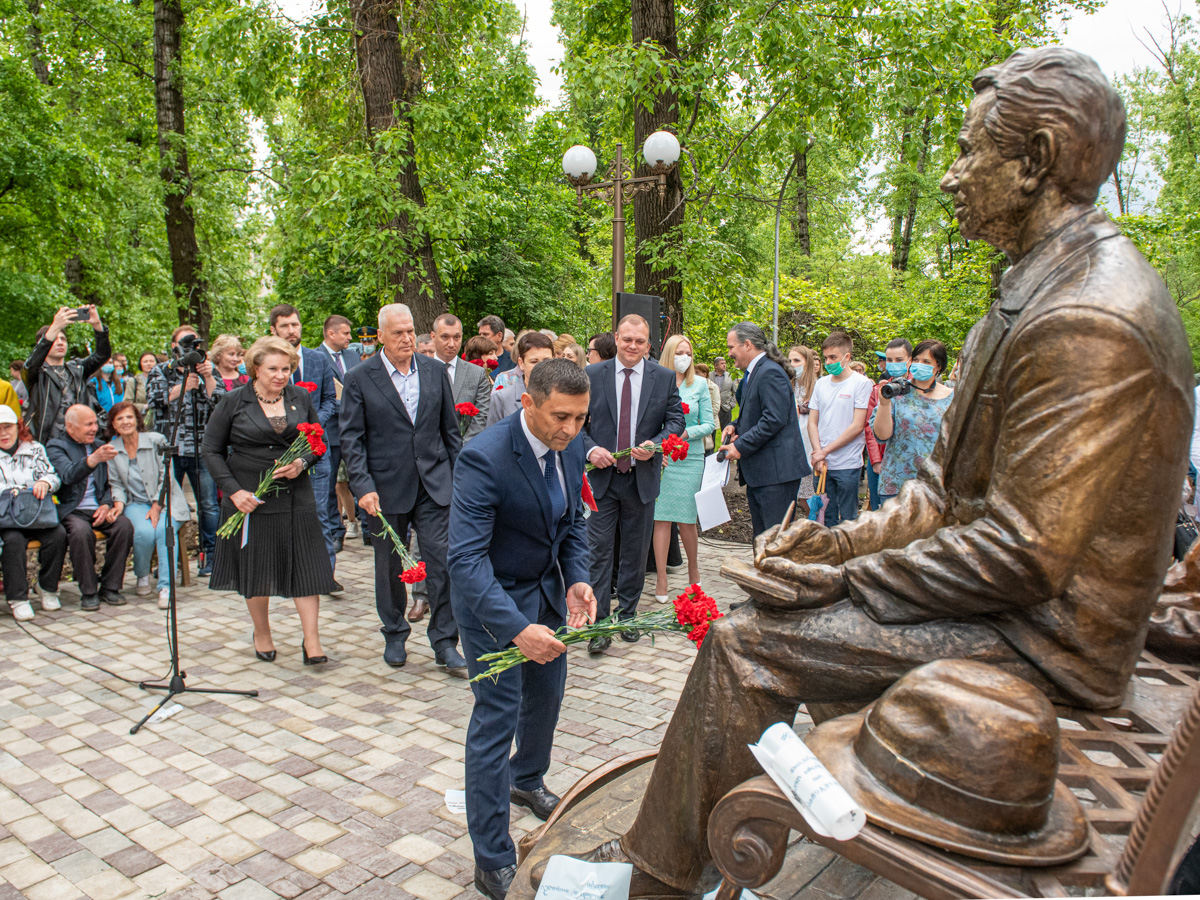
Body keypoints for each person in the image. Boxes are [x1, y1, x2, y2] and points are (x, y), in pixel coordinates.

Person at [548, 48, 1195, 897]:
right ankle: (698, 840)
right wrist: (833, 543)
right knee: (785, 597)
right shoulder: (1033, 290)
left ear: (1033, 161)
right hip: (1013, 609)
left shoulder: (1091, 318)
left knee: (747, 643)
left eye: (971, 152)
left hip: (1051, 641)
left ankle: (653, 882)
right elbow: (937, 493)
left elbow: (1023, 555)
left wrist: (844, 581)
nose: (953, 176)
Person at [449, 359, 597, 900]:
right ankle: (491, 858)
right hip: (491, 604)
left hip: (544, 596)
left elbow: (575, 526)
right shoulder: (483, 457)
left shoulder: (574, 447)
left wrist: (577, 581)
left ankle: (527, 778)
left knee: (546, 701)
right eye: (561, 416)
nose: (571, 429)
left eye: (580, 418)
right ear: (528, 401)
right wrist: (515, 629)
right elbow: (464, 562)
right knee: (495, 719)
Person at [340, 303, 467, 674]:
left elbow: (450, 433)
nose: (407, 338)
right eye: (398, 332)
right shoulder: (361, 377)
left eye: (410, 330)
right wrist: (362, 486)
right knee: (389, 566)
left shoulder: (433, 371)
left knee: (441, 563)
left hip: (434, 484)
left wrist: (459, 480)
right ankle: (395, 633)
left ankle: (445, 641)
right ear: (380, 335)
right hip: (384, 488)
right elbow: (352, 439)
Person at [202, 336, 334, 664]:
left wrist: (301, 462)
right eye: (273, 369)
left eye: (286, 369)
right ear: (256, 368)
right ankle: (262, 631)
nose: (281, 375)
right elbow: (211, 450)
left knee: (307, 566)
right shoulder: (234, 401)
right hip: (249, 497)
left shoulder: (300, 396)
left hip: (295, 496)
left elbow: (318, 442)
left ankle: (312, 641)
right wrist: (234, 491)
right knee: (256, 568)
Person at [583, 314, 684, 652]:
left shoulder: (665, 377)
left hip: (641, 478)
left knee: (635, 551)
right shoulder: (592, 374)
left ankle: (627, 614)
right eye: (627, 339)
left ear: (649, 344)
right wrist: (591, 449)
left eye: (640, 341)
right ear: (616, 337)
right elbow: (577, 421)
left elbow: (675, 420)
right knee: (598, 552)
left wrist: (656, 443)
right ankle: (598, 624)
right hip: (602, 479)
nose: (632, 346)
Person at [269, 304, 340, 587]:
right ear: (274, 329)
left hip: (316, 450)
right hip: (280, 453)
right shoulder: (266, 365)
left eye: (295, 325)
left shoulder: (317, 360)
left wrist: (310, 424)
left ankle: (326, 576)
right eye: (285, 325)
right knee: (283, 515)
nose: (291, 330)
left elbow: (330, 400)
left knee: (320, 513)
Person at [720, 323, 810, 537]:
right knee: (763, 539)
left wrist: (739, 446)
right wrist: (736, 425)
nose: (730, 353)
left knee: (775, 541)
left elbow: (773, 419)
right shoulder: (755, 372)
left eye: (732, 347)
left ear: (748, 345)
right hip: (762, 472)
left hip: (776, 474)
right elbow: (755, 412)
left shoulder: (769, 372)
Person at [147, 325, 220, 575]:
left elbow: (221, 402)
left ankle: (211, 557)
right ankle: (170, 561)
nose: (190, 349)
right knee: (168, 506)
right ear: (173, 346)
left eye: (194, 345)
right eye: (184, 344)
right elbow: (154, 401)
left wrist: (208, 377)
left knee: (208, 506)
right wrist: (183, 387)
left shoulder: (207, 370)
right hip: (171, 450)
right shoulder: (160, 371)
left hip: (202, 449)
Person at [46, 405, 134, 611]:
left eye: (95, 423)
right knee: (80, 532)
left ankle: (111, 587)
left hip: (99, 506)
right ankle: (88, 590)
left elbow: (109, 482)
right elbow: (67, 475)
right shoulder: (56, 446)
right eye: (88, 424)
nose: (95, 428)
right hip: (72, 509)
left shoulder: (99, 444)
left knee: (124, 526)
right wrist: (93, 459)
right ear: (70, 427)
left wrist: (106, 504)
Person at [106, 401, 190, 607]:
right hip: (136, 503)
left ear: (137, 420)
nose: (126, 422)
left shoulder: (156, 441)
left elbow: (166, 476)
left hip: (167, 500)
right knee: (143, 532)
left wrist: (156, 506)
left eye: (129, 417)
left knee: (164, 530)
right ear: (113, 425)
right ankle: (142, 574)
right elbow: (116, 483)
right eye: (120, 419)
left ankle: (165, 587)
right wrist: (118, 504)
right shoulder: (112, 450)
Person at [651, 335, 715, 600]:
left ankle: (693, 570)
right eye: (679, 352)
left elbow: (710, 424)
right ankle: (662, 580)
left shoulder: (699, 384)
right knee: (661, 518)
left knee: (687, 519)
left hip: (690, 459)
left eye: (688, 353)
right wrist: (657, 447)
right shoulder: (656, 383)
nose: (684, 357)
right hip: (664, 458)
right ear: (669, 354)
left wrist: (685, 434)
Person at [0, 405, 65, 622]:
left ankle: (47, 587)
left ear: (18, 427)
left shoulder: (34, 448)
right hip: (7, 519)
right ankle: (17, 598)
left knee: (58, 534)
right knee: (13, 541)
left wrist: (45, 482)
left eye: (7, 427)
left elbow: (53, 476)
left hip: (36, 515)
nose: (3, 433)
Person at [870, 339, 954, 502]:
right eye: (916, 360)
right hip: (897, 482)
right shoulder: (895, 391)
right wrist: (884, 402)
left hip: (937, 485)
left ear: (938, 366)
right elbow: (881, 436)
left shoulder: (953, 398)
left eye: (926, 361)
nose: (919, 364)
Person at [807, 331, 873, 526]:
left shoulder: (861, 384)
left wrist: (825, 451)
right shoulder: (821, 383)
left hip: (847, 464)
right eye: (826, 357)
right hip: (822, 463)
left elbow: (857, 425)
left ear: (847, 357)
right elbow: (813, 421)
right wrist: (818, 452)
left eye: (833, 357)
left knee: (848, 517)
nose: (828, 362)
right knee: (825, 515)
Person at [24, 305, 111, 444]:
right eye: (55, 339)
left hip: (80, 441)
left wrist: (97, 325)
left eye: (63, 339)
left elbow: (102, 354)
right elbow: (31, 364)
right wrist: (55, 326)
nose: (60, 342)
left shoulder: (78, 369)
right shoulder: (37, 374)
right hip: (48, 442)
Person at [319, 314, 365, 551]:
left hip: (357, 429)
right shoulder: (317, 358)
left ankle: (369, 528)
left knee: (363, 477)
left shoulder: (353, 356)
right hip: (332, 432)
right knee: (330, 485)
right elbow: (320, 397)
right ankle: (336, 532)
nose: (350, 337)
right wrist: (346, 404)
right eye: (346, 333)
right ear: (331, 334)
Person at [865, 338, 913, 509]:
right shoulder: (879, 389)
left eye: (899, 360)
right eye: (890, 360)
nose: (893, 364)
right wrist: (876, 460)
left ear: (910, 360)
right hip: (881, 459)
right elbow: (869, 428)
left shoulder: (920, 388)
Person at [433, 314, 490, 442]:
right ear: (433, 337)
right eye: (445, 337)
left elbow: (481, 417)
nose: (451, 344)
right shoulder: (421, 371)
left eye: (457, 337)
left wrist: (461, 450)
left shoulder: (477, 374)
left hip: (465, 450)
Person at [485, 333, 554, 426]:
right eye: (534, 361)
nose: (541, 367)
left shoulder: (565, 396)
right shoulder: (501, 398)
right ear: (521, 363)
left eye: (546, 361)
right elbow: (493, 436)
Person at [786, 345, 818, 499]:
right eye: (790, 360)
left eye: (797, 360)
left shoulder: (818, 387)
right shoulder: (787, 386)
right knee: (795, 496)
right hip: (790, 443)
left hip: (809, 444)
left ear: (808, 363)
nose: (792, 364)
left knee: (811, 497)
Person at [86, 359, 125, 428]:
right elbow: (93, 406)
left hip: (121, 421)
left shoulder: (121, 383)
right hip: (103, 424)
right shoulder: (93, 384)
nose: (108, 365)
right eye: (105, 362)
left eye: (110, 362)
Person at [692, 362, 722, 453]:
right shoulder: (693, 386)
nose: (694, 375)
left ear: (704, 374)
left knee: (708, 449)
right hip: (695, 424)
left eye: (697, 372)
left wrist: (703, 418)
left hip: (709, 424)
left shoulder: (713, 387)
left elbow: (716, 407)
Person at [126, 352, 157, 426]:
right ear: (141, 364)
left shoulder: (162, 380)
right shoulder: (133, 381)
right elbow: (127, 403)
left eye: (151, 361)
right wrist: (145, 406)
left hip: (160, 421)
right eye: (145, 362)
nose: (149, 364)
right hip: (141, 422)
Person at [710, 356, 735, 432]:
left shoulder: (730, 376)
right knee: (711, 430)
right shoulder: (709, 376)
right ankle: (712, 444)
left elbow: (735, 391)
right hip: (712, 407)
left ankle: (726, 444)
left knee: (726, 430)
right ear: (716, 366)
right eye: (722, 363)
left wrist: (732, 404)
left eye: (725, 363)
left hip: (726, 407)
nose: (724, 365)